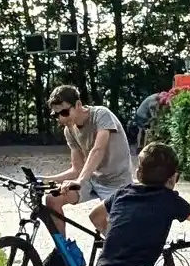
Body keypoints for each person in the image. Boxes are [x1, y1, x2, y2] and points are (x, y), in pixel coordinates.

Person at [44, 86, 134, 256]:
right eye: (55, 115)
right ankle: (63, 253)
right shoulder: (69, 130)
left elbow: (98, 149)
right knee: (52, 199)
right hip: (93, 180)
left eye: (63, 113)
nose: (60, 119)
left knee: (114, 231)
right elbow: (76, 168)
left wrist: (80, 180)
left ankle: (127, 255)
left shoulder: (101, 114)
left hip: (118, 183)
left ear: (78, 105)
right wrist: (46, 179)